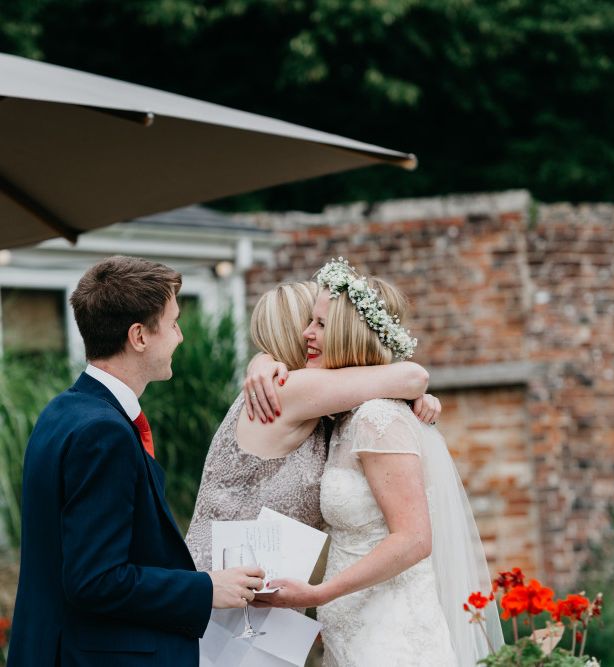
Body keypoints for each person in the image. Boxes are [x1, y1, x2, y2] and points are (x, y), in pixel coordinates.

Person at [8, 256, 263, 667]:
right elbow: (95, 580)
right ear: (139, 336)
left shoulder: (62, 411)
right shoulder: (102, 433)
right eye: (174, 322)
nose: (180, 336)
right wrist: (205, 589)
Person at [262, 259, 505, 666]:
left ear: (348, 334)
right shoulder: (343, 417)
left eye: (321, 325)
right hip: (353, 631)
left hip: (392, 635)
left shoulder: (378, 420)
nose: (307, 333)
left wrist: (321, 592)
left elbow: (413, 539)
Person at [185, 281, 439, 572]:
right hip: (218, 593)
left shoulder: (312, 404)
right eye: (310, 322)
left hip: (253, 594)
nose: (311, 333)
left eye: (321, 323)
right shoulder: (286, 390)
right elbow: (413, 376)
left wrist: (414, 401)